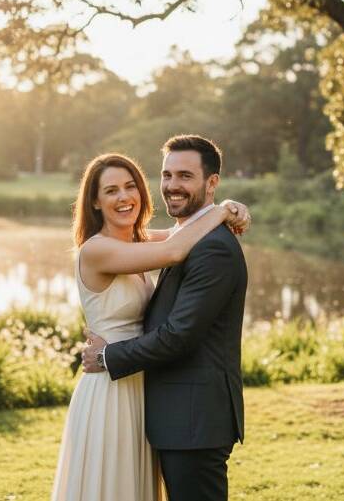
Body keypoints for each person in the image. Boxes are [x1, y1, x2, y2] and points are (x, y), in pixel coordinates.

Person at [51, 150, 250, 501]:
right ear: (94, 202)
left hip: (138, 384)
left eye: (131, 186)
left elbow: (182, 232)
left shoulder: (137, 241)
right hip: (109, 384)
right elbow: (176, 249)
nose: (124, 196)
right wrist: (220, 211)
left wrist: (228, 206)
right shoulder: (97, 250)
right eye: (110, 191)